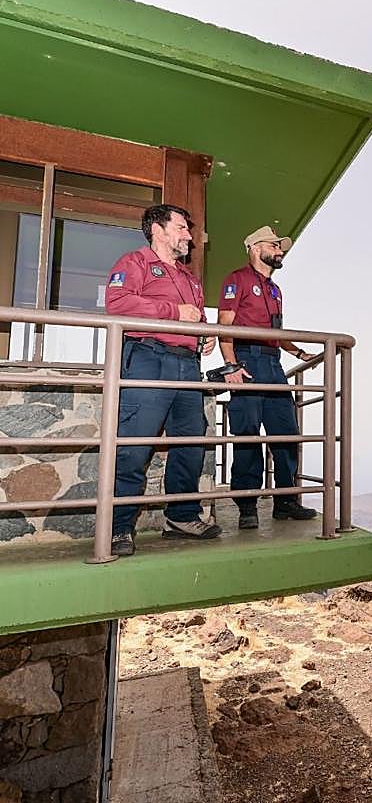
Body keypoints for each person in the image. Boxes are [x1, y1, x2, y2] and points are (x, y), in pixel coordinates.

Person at [105, 204, 220, 557]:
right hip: (148, 359)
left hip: (188, 365)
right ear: (158, 229)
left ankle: (181, 517)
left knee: (191, 443)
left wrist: (205, 334)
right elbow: (116, 303)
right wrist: (173, 312)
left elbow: (194, 318)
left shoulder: (190, 279)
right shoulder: (135, 262)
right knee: (134, 446)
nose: (189, 236)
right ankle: (118, 527)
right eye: (182, 227)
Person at [218, 226, 319, 529]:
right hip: (247, 359)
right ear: (254, 247)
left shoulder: (275, 290)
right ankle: (247, 505)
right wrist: (231, 366)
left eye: (280, 247)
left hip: (273, 364)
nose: (280, 250)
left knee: (286, 432)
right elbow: (225, 324)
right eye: (274, 246)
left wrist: (301, 354)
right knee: (248, 433)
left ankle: (285, 501)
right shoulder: (237, 280)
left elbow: (277, 332)